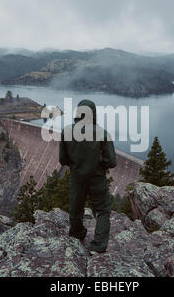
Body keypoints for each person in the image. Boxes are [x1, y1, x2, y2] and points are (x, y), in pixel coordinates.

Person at [59, 99, 117, 253]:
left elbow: (62, 160)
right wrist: (99, 165)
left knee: (76, 207)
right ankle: (98, 246)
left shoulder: (66, 131)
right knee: (103, 209)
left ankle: (77, 233)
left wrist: (76, 164)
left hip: (77, 176)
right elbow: (111, 161)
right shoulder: (102, 133)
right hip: (96, 177)